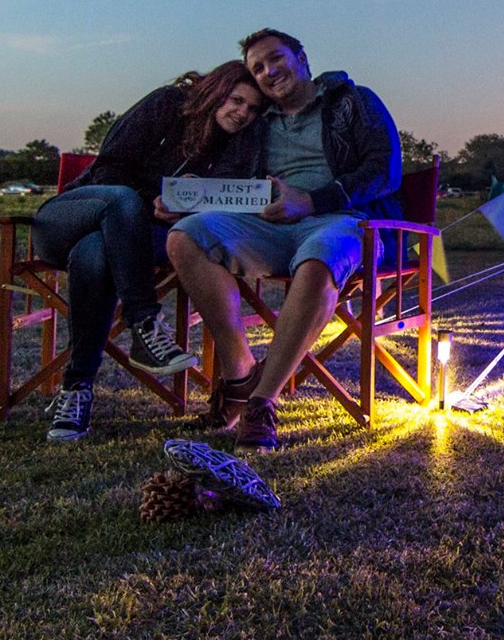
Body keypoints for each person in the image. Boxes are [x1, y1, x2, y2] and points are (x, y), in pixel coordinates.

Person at [169, 28, 402, 448]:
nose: (268, 71)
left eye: (276, 58)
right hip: (269, 227)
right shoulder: (256, 123)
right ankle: (240, 373)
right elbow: (231, 177)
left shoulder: (354, 101)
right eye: (258, 68)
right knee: (186, 236)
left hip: (344, 221)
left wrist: (312, 201)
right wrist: (191, 192)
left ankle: (262, 402)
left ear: (302, 58)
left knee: (319, 259)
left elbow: (385, 170)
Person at [35, 61, 262, 441]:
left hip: (119, 244)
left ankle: (75, 392)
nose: (243, 113)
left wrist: (185, 205)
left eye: (252, 109)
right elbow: (108, 167)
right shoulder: (168, 104)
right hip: (71, 218)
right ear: (215, 91)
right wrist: (150, 199)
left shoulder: (236, 149)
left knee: (95, 254)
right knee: (122, 200)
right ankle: (144, 321)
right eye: (236, 100)